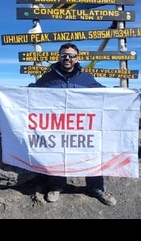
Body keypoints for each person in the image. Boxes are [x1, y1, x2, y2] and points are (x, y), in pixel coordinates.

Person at [28, 42, 116, 206]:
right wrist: (1, 92)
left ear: (77, 58)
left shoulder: (86, 78)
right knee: (57, 154)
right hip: (57, 126)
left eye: (71, 55)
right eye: (63, 55)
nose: (67, 58)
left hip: (82, 126)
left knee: (91, 153)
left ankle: (97, 188)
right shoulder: (48, 78)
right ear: (59, 57)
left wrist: (131, 95)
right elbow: (30, 92)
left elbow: (104, 93)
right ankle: (56, 186)